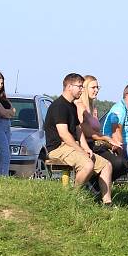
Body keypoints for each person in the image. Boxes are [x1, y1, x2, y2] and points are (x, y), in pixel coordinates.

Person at [44, 73, 113, 204]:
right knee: (88, 165)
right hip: (58, 148)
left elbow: (78, 130)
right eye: (80, 86)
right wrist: (80, 150)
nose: (82, 89)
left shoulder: (72, 105)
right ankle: (72, 197)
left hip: (71, 146)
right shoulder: (59, 106)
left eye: (82, 86)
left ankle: (107, 202)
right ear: (69, 86)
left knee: (106, 165)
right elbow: (64, 134)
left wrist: (86, 148)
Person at [76, 75, 127, 181]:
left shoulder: (93, 108)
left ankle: (96, 187)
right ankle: (93, 187)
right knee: (117, 163)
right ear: (84, 88)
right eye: (93, 87)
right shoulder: (79, 106)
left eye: (98, 87)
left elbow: (97, 131)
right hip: (84, 147)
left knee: (123, 163)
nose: (96, 90)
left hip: (95, 145)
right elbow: (83, 129)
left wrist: (109, 144)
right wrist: (106, 138)